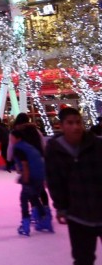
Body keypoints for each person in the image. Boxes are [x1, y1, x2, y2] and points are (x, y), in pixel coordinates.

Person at [45, 106, 102, 264]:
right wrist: (61, 207)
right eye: (70, 123)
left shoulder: (97, 145)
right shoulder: (54, 150)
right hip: (78, 215)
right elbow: (55, 181)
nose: (76, 126)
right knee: (83, 259)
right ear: (62, 126)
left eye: (78, 122)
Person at [12, 126, 51, 236]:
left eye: (11, 137)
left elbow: (25, 165)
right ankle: (45, 218)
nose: (10, 140)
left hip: (31, 177)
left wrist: (25, 179)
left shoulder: (19, 148)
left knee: (24, 199)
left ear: (17, 138)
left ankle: (25, 224)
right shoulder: (30, 147)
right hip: (40, 175)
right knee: (33, 197)